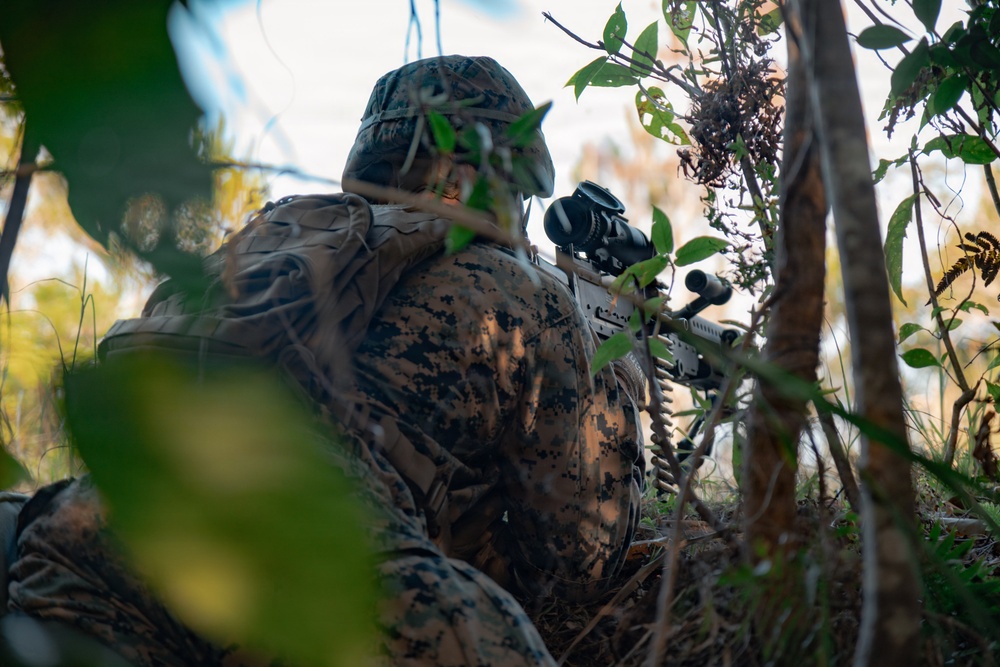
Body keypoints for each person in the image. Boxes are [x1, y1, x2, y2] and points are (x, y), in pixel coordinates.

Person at [2, 55, 645, 666]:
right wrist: (615, 390)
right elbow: (575, 566)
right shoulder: (520, 290)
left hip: (86, 545)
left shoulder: (273, 244)